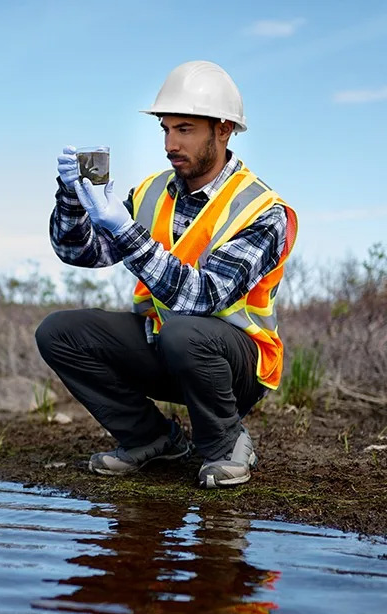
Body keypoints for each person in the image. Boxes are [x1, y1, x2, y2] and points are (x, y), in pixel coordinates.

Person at [35, 60, 298, 488]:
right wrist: (72, 198)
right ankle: (151, 439)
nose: (170, 144)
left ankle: (225, 445)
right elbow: (79, 252)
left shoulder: (263, 211)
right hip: (164, 346)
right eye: (166, 129)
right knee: (58, 332)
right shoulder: (153, 191)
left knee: (186, 332)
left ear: (224, 129)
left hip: (234, 366)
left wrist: (123, 229)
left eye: (185, 129)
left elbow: (204, 296)